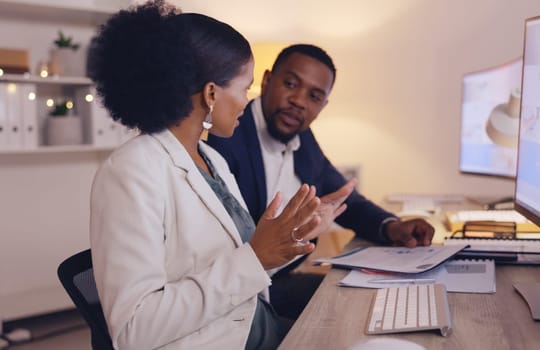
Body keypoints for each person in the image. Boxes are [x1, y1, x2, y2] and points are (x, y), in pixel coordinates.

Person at [87, 2, 341, 349]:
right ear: (211, 94)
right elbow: (134, 329)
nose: (247, 100)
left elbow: (244, 271)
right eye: (244, 87)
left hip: (256, 327)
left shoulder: (211, 160)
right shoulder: (132, 171)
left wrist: (293, 237)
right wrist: (256, 256)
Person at [206, 44, 435, 319]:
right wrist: (296, 232)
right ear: (267, 80)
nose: (299, 101)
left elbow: (344, 198)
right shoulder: (227, 135)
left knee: (368, 301)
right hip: (231, 298)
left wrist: (394, 226)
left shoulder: (302, 138)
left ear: (322, 105)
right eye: (290, 84)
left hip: (273, 283)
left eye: (314, 96)